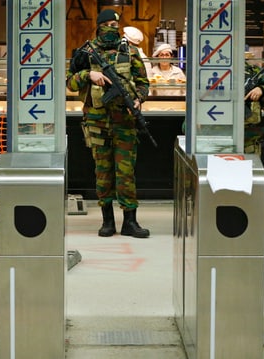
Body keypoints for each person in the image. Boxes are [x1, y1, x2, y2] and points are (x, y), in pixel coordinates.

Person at [66, 9, 151, 238]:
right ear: (99, 25)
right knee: (103, 171)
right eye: (108, 24)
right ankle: (107, 221)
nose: (112, 28)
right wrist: (88, 76)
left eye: (116, 24)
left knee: (126, 172)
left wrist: (138, 98)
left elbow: (144, 83)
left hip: (124, 121)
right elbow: (70, 82)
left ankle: (130, 222)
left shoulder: (130, 51)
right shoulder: (85, 53)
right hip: (97, 121)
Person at [244, 61, 264, 154]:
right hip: (217, 136)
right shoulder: (212, 70)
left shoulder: (252, 71)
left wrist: (262, 90)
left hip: (248, 139)